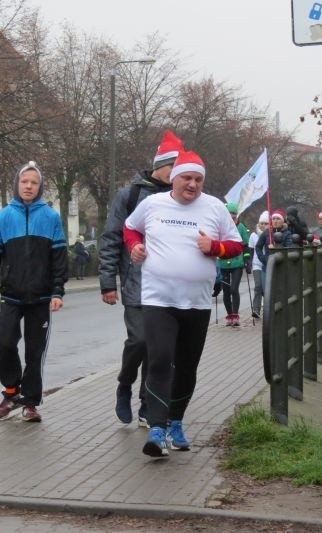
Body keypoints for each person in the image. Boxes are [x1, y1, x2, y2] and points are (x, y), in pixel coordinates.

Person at [123, 150, 243, 457]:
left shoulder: (214, 207)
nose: (192, 184)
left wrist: (214, 246)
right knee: (161, 360)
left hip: (197, 303)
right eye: (186, 178)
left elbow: (235, 245)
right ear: (174, 178)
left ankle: (175, 422)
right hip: (158, 299)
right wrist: (135, 245)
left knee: (187, 366)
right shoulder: (152, 204)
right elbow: (129, 227)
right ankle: (157, 429)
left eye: (198, 179)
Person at [99, 129, 181, 427]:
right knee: (140, 340)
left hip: (168, 285)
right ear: (159, 164)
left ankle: (149, 404)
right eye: (173, 166)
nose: (177, 173)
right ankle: (124, 384)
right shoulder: (130, 195)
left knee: (159, 349)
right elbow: (110, 238)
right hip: (136, 282)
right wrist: (108, 281)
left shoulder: (180, 197)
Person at [0, 161, 68, 423]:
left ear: (40, 187)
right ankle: (10, 392)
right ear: (17, 185)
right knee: (4, 342)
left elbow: (59, 258)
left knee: (34, 352)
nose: (28, 186)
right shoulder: (2, 217)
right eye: (24, 182)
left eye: (34, 183)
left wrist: (57, 292)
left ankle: (30, 403)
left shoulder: (51, 217)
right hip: (11, 295)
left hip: (40, 297)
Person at [218, 202, 250, 326]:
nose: (232, 219)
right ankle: (229, 315)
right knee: (226, 291)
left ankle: (236, 315)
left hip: (237, 263)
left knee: (234, 289)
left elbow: (246, 246)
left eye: (234, 217)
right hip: (223, 263)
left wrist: (248, 261)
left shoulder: (241, 227)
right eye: (229, 216)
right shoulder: (220, 227)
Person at [247, 211, 269, 319]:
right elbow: (251, 250)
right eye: (262, 223)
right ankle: (256, 309)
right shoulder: (253, 235)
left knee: (266, 288)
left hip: (267, 263)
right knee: (258, 286)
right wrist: (249, 262)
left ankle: (268, 307)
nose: (264, 225)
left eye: (266, 223)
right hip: (257, 264)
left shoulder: (271, 235)